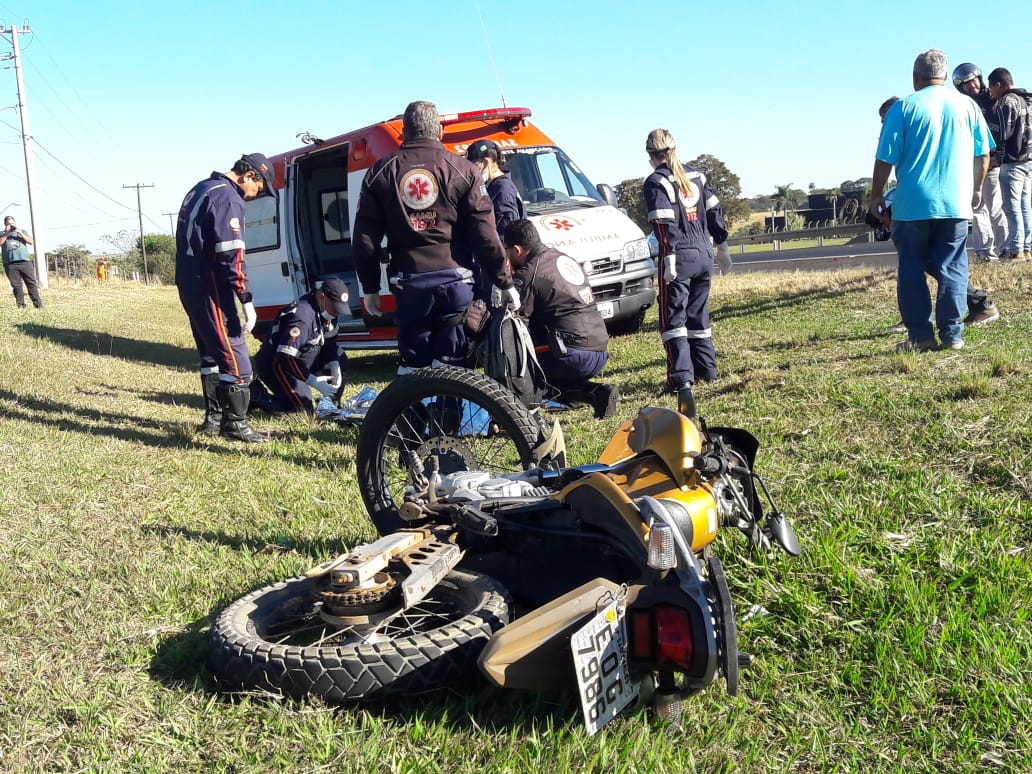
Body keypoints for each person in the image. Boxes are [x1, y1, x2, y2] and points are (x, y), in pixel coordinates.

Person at [352, 100, 516, 373]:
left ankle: (418, 413)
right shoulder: (464, 170)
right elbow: (484, 233)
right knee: (457, 368)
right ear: (439, 131)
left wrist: (370, 289)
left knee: (414, 368)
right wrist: (504, 281)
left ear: (404, 132)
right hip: (457, 282)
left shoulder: (380, 172)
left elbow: (365, 240)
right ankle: (455, 413)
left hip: (409, 284)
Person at [871, 49, 992, 353]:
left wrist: (875, 195)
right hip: (955, 201)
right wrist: (976, 189)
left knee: (911, 266)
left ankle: (920, 335)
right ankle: (952, 334)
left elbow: (885, 157)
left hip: (913, 203)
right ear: (945, 75)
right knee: (953, 266)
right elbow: (984, 154)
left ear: (915, 78)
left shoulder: (903, 107)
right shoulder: (967, 106)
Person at [175, 153, 276, 441]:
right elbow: (231, 255)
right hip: (210, 284)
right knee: (235, 354)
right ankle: (236, 424)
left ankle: (214, 417)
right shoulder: (228, 198)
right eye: (259, 190)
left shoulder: (202, 188)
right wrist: (245, 297)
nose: (255, 197)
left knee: (210, 351)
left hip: (188, 280)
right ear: (249, 176)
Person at [642, 128, 730, 393]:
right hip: (704, 254)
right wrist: (723, 247)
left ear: (650, 154)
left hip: (679, 258)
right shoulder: (698, 176)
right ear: (675, 149)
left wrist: (668, 260)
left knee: (673, 322)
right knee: (698, 316)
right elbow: (715, 212)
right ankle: (708, 371)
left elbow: (663, 223)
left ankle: (681, 379)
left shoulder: (656, 182)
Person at [501, 219, 617, 418]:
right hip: (599, 347)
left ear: (517, 250)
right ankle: (597, 394)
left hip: (573, 354)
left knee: (521, 359)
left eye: (507, 251)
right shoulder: (562, 257)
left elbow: (516, 324)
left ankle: (528, 413)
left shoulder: (529, 274)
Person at [250, 278, 350, 414]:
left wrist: (334, 364)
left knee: (340, 357)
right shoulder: (302, 317)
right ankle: (258, 396)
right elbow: (285, 356)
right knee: (303, 410)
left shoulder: (328, 311)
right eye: (335, 307)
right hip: (278, 365)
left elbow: (329, 343)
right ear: (322, 297)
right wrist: (313, 381)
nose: (337, 312)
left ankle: (333, 402)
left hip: (304, 358)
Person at [952, 64, 1009, 260]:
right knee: (977, 208)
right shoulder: (963, 105)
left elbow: (1004, 130)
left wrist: (997, 156)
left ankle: (1006, 247)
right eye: (966, 85)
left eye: (973, 81)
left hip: (992, 160)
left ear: (980, 78)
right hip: (972, 162)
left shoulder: (993, 99)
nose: (971, 86)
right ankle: (985, 251)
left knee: (995, 207)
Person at [985, 67, 1032, 261]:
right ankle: (1027, 248)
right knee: (1025, 205)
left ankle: (1016, 249)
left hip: (1012, 162)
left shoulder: (1006, 102)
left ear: (999, 85)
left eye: (991, 87)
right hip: (1028, 160)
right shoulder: (1027, 100)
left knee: (1011, 207)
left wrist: (997, 157)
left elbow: (1002, 134)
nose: (990, 92)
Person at [465, 139, 525, 238]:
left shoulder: (502, 190)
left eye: (474, 167)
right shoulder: (493, 187)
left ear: (485, 163)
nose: (470, 172)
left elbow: (505, 236)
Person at [1, 216, 42, 309]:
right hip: (10, 263)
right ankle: (21, 305)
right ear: (5, 225)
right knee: (16, 285)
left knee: (31, 284)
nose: (11, 225)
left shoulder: (22, 231)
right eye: (9, 224)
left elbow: (31, 242)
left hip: (25, 262)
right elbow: (0, 242)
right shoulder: (2, 233)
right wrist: (7, 233)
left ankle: (38, 305)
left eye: (12, 223)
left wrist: (20, 233)